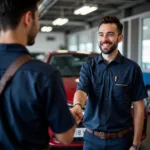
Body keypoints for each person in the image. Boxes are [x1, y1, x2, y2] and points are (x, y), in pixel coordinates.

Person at [0, 0, 77, 149]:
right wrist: (71, 117)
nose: (38, 25)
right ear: (28, 18)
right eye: (38, 18)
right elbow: (65, 137)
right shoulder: (44, 74)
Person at [71, 16, 148, 150]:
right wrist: (77, 105)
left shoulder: (131, 69)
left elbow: (139, 107)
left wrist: (135, 144)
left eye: (110, 34)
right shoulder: (88, 67)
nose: (104, 39)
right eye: (101, 34)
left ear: (120, 38)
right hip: (92, 141)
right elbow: (81, 91)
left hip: (121, 141)